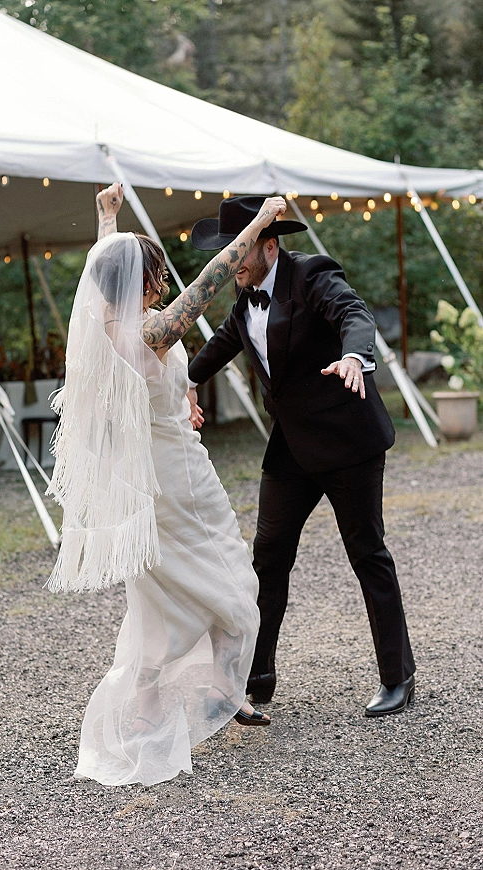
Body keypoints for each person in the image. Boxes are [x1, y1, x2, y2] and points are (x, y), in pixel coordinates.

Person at [46, 184, 288, 787]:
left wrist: (106, 219)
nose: (162, 279)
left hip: (152, 477)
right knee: (235, 586)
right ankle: (223, 693)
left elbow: (111, 271)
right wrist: (257, 225)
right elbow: (208, 284)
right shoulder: (148, 330)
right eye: (155, 271)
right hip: (179, 481)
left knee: (161, 599)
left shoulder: (110, 323)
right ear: (145, 281)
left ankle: (159, 705)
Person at [187, 195, 416, 718]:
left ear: (269, 245)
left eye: (238, 253)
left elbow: (353, 313)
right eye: (227, 254)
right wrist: (183, 382)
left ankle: (396, 674)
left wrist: (355, 355)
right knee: (268, 557)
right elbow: (221, 345)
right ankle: (256, 674)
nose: (230, 264)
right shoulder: (245, 297)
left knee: (367, 554)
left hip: (348, 441)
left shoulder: (310, 274)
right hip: (291, 447)